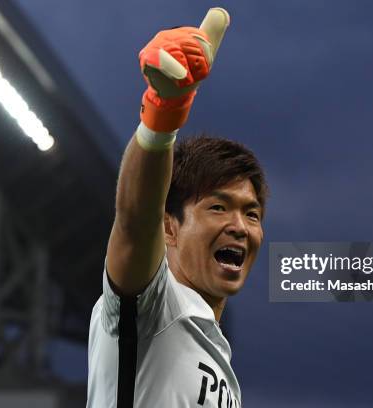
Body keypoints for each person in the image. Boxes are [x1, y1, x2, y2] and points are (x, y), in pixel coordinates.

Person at [87, 8, 268, 407]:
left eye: (251, 213)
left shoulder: (220, 360)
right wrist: (161, 115)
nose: (240, 226)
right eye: (219, 208)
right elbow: (135, 221)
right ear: (169, 226)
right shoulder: (154, 308)